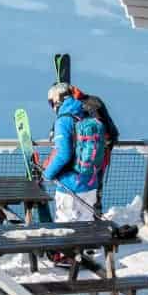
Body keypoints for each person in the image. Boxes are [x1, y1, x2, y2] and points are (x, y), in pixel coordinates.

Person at [36, 82, 106, 222]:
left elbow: (64, 154)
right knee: (86, 226)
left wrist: (47, 174)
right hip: (90, 182)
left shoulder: (63, 121)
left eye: (51, 103)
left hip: (70, 185)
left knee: (65, 229)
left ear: (57, 100)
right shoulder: (85, 114)